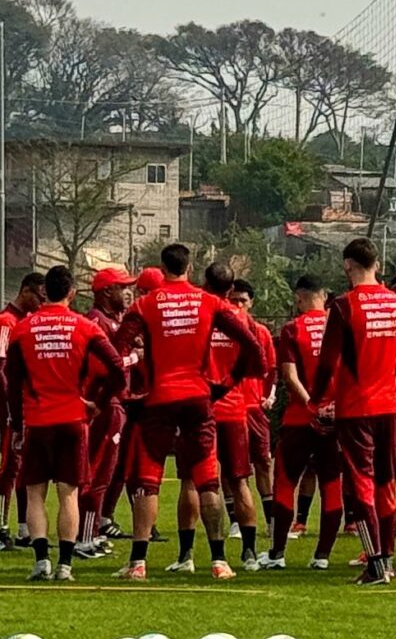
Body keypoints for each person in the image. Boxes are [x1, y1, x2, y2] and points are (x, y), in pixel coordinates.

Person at [112, 243, 261, 581]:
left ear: (162, 268)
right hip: (198, 397)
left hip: (160, 399)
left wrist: (124, 394)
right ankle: (220, 561)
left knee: (149, 481)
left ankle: (138, 563)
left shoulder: (146, 304)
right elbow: (251, 345)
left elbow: (116, 350)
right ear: (189, 267)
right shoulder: (209, 302)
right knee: (208, 478)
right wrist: (225, 384)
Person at [6, 265, 124, 582]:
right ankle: (66, 565)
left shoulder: (22, 329)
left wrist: (17, 424)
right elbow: (117, 369)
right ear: (72, 293)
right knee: (68, 494)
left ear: (45, 292)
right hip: (73, 419)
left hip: (38, 421)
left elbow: (11, 381)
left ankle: (41, 561)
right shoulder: (85, 328)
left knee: (34, 494)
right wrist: (98, 403)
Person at [308, 238, 396, 587]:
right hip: (390, 406)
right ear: (378, 264)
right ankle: (389, 559)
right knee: (387, 483)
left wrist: (315, 401)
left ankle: (376, 564)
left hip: (357, 408)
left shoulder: (344, 306)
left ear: (347, 265)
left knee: (362, 485)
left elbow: (327, 361)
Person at [267, 276, 341, 569]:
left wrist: (310, 406)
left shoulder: (292, 329)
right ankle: (322, 556)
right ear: (324, 295)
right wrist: (334, 406)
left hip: (300, 419)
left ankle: (277, 554)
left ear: (299, 298)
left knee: (286, 482)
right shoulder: (339, 327)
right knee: (332, 485)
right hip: (335, 419)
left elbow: (289, 375)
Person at [204, 266, 274, 571]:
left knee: (200, 484)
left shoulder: (200, 314)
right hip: (234, 406)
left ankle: (206, 555)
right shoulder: (245, 322)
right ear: (231, 288)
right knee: (240, 479)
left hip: (204, 406)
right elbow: (259, 362)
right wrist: (232, 380)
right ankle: (248, 552)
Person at [79, 266, 137, 557]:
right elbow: (102, 368)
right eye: (122, 287)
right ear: (106, 292)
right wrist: (133, 358)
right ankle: (85, 536)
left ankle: (93, 531)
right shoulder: (96, 322)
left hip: (112, 402)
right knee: (97, 472)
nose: (129, 292)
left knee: (107, 470)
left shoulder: (113, 321)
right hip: (103, 404)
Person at [0, 273, 46, 551]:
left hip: (28, 405)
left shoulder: (29, 322)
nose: (41, 302)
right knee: (9, 466)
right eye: (38, 296)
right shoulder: (5, 322)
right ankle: (0, 530)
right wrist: (9, 406)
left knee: (25, 466)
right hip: (12, 408)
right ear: (26, 292)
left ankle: (25, 528)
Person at [228, 279, 279, 568]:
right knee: (232, 469)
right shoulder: (221, 326)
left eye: (242, 300)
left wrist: (267, 396)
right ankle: (236, 521)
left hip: (253, 407)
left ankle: (271, 519)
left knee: (262, 462)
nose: (237, 305)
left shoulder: (260, 332)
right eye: (233, 299)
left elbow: (271, 368)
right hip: (229, 406)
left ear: (251, 302)